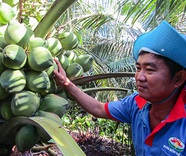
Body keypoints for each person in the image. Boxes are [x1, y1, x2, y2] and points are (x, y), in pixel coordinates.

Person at [53, 20, 186, 156]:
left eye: (150, 70)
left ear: (178, 78)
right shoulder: (136, 104)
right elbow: (99, 108)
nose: (139, 77)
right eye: (138, 68)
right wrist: (66, 83)